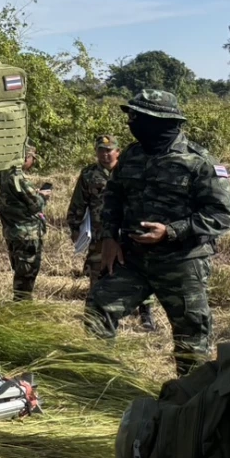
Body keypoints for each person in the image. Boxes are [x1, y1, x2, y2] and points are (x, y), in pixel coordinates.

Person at [84, 90, 230, 376]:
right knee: (99, 307)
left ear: (160, 121)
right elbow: (113, 195)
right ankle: (101, 380)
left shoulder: (199, 161)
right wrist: (110, 237)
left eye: (138, 117)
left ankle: (189, 398)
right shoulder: (132, 155)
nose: (131, 122)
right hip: (133, 260)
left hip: (182, 263)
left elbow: (221, 215)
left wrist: (171, 231)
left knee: (191, 337)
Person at [68, 135, 156, 330]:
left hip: (128, 233)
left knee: (138, 271)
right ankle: (94, 316)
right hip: (100, 234)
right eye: (101, 150)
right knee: (97, 272)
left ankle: (146, 314)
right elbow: (78, 202)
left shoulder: (129, 171)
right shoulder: (89, 174)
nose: (105, 154)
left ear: (118, 152)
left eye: (109, 150)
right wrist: (74, 226)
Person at [0, 143, 49, 301]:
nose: (33, 162)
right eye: (32, 158)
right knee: (25, 279)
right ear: (25, 157)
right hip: (27, 234)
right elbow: (36, 204)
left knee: (20, 273)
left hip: (11, 231)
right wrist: (43, 196)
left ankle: (20, 305)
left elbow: (15, 199)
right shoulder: (17, 178)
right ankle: (22, 308)